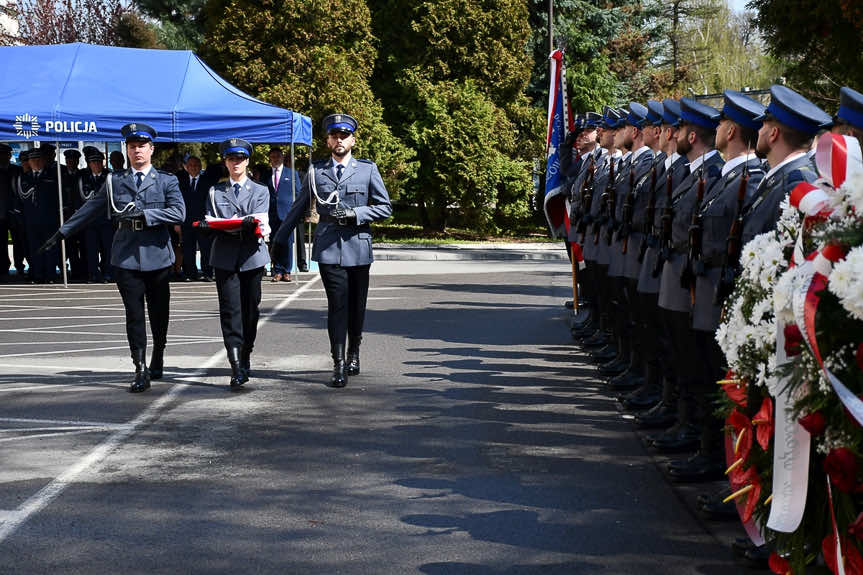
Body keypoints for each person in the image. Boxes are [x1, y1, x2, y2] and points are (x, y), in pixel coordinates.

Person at [38, 123, 185, 392]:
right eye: (132, 146)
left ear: (151, 149)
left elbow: (179, 213)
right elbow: (90, 208)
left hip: (157, 255)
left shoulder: (166, 180)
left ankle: (159, 353)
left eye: (141, 146)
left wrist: (148, 216)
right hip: (126, 255)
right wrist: (61, 233)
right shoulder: (115, 180)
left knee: (159, 312)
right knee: (133, 314)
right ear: (126, 150)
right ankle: (139, 367)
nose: (137, 150)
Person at [272, 113, 393, 387]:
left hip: (358, 246)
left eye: (344, 136)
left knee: (356, 307)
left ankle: (354, 351)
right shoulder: (316, 171)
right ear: (327, 140)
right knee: (337, 305)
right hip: (328, 248)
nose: (339, 140)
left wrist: (356, 213)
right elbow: (299, 206)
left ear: (352, 139)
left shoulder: (367, 170)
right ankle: (337, 362)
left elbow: (384, 207)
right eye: (334, 136)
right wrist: (280, 237)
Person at [197, 138, 270, 389]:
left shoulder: (260, 190)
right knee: (230, 311)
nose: (235, 162)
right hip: (225, 257)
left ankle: (246, 351)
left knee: (250, 310)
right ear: (225, 162)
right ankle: (235, 362)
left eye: (239, 158)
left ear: (247, 161)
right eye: (231, 159)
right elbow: (212, 218)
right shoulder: (215, 191)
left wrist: (232, 225)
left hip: (251, 256)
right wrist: (212, 227)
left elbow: (258, 221)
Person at [20, 147, 60, 283]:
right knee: (34, 248)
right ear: (29, 162)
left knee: (50, 249)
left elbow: (58, 198)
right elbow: (20, 200)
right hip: (31, 220)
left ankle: (50, 276)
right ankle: (37, 275)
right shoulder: (24, 178)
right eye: (33, 160)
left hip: (49, 220)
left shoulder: (53, 176)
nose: (36, 162)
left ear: (43, 161)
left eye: (38, 159)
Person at [266, 146, 306, 282]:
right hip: (272, 214)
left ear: (282, 157)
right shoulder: (266, 174)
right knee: (275, 242)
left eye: (278, 156)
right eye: (273, 157)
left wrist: (298, 212)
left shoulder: (292, 173)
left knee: (288, 243)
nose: (275, 159)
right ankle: (277, 270)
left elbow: (299, 193)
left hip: (287, 214)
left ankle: (287, 270)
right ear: (270, 159)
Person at [78, 146, 114, 283]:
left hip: (106, 219)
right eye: (94, 163)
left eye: (99, 162)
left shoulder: (109, 176)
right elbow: (82, 197)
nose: (97, 165)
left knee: (107, 249)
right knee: (91, 250)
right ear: (89, 164)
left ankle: (108, 273)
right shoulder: (84, 178)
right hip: (90, 221)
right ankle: (93, 274)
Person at [178, 155, 213, 281]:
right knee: (188, 248)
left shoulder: (208, 181)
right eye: (191, 165)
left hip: (203, 221)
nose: (193, 168)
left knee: (205, 248)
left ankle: (207, 273)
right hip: (186, 221)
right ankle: (190, 273)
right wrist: (177, 222)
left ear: (200, 167)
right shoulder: (180, 181)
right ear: (186, 167)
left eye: (196, 165)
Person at [0, 143, 19, 279]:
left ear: (10, 155)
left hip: (15, 212)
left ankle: (20, 267)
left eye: (5, 154)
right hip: (0, 213)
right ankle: (3, 269)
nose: (2, 157)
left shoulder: (16, 170)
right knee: (1, 243)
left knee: (20, 242)